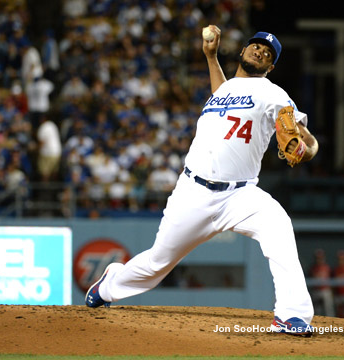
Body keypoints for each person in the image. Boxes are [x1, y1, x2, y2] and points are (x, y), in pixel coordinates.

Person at [85, 25, 319, 336]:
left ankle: (293, 316)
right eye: (257, 45)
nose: (261, 51)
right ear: (243, 51)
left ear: (270, 66)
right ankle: (110, 284)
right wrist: (210, 56)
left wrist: (305, 149)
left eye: (268, 53)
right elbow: (223, 92)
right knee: (157, 264)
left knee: (278, 225)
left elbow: (308, 142)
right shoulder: (225, 90)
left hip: (241, 195)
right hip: (192, 193)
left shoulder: (273, 94)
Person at [310, 249, 335, 317]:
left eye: (321, 258)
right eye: (318, 258)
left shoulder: (327, 267)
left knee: (329, 309)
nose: (319, 259)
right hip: (316, 291)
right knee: (317, 310)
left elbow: (332, 279)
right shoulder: (313, 268)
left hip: (325, 290)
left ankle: (331, 324)